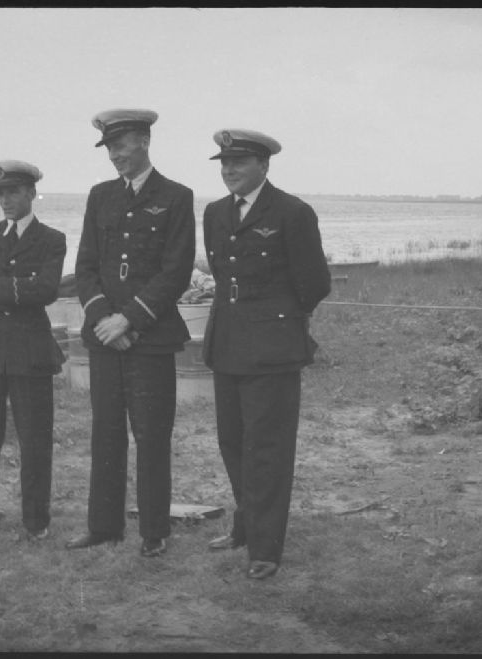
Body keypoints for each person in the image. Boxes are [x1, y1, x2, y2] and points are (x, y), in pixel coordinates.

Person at [201, 129, 331, 580]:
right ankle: (245, 526)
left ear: (264, 165)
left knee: (267, 449)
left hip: (272, 349)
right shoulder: (215, 212)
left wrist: (276, 320)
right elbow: (223, 275)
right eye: (224, 163)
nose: (229, 170)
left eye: (238, 162)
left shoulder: (292, 212)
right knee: (232, 442)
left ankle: (265, 546)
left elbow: (314, 283)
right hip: (227, 343)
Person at [68, 109, 196, 558]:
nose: (115, 156)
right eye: (109, 149)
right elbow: (86, 267)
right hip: (105, 337)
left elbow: (175, 271)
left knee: (151, 435)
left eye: (121, 146)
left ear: (144, 141)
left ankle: (153, 531)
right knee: (105, 433)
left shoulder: (176, 197)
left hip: (150, 338)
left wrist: (130, 320)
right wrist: (105, 319)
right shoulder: (100, 196)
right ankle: (103, 527)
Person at [0, 160, 66, 541]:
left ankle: (36, 522)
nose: (6, 200)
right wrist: (13, 290)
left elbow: (46, 290)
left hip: (30, 350)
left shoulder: (51, 239)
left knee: (34, 439)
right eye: (1, 194)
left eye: (14, 192)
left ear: (32, 193)